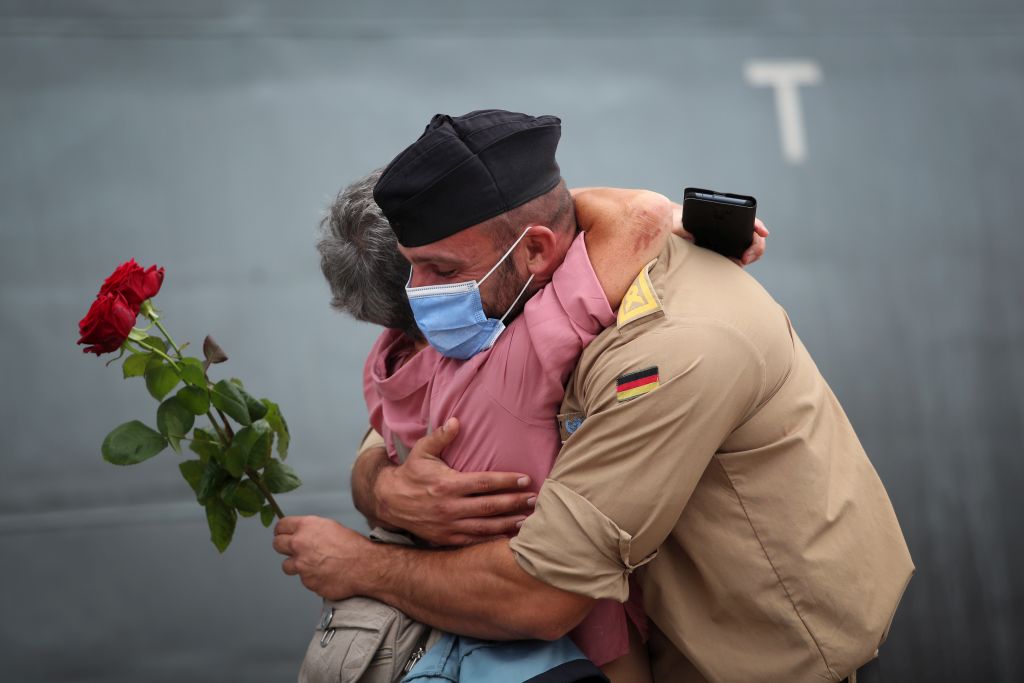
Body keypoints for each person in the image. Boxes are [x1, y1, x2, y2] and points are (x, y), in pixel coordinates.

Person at [276, 110, 914, 682]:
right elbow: (418, 391)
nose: (420, 296)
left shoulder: (674, 345)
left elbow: (543, 595)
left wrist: (361, 566)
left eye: (439, 271)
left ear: (535, 252)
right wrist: (383, 486)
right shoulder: (515, 280)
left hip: (745, 657)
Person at [316, 164, 766, 678]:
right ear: (440, 279)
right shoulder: (512, 367)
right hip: (588, 630)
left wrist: (376, 485)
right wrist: (673, 223)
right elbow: (622, 227)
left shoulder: (382, 370)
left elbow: (379, 437)